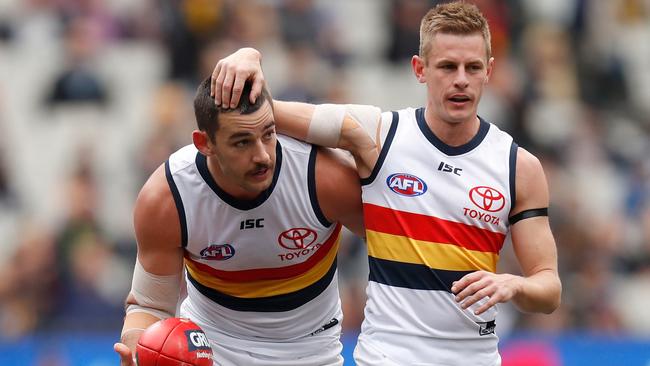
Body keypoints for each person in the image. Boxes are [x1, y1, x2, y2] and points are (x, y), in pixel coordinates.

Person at [211, 2, 561, 365]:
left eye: (473, 67)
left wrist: (514, 285)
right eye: (447, 66)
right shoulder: (378, 135)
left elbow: (549, 289)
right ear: (420, 69)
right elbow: (268, 113)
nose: (461, 79)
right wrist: (248, 56)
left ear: (489, 71)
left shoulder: (517, 166)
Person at [114, 78, 364, 366]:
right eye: (242, 142)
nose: (261, 156)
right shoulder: (167, 197)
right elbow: (150, 304)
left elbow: (393, 250)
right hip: (213, 352)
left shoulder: (323, 177)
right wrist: (137, 344)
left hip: (313, 353)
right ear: (204, 143)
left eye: (268, 134)